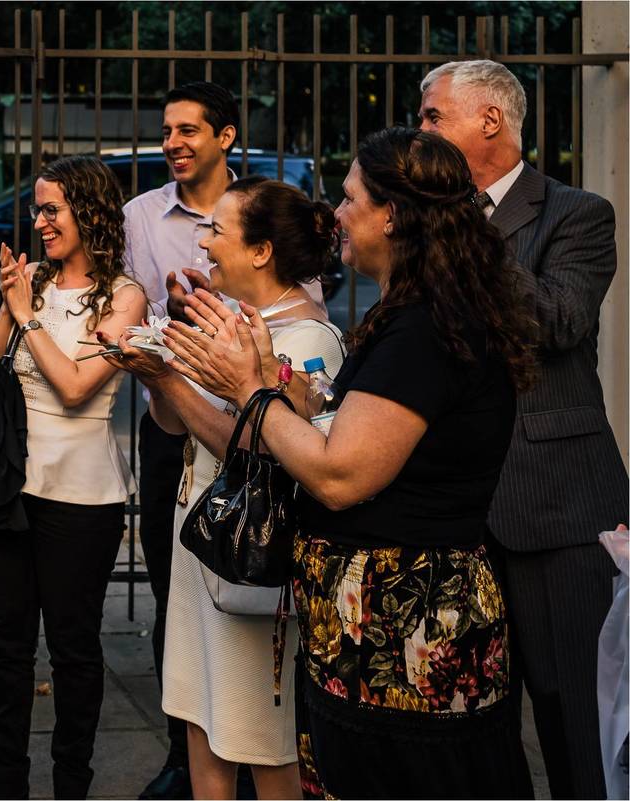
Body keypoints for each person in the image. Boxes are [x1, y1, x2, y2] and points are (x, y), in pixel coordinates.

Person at [163, 127, 539, 799]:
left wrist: (249, 390)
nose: (335, 214)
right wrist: (282, 390)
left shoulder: (425, 327)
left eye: (349, 197)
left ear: (391, 214)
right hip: (377, 629)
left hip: (407, 631)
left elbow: (340, 475)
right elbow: (351, 430)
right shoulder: (414, 314)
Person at [419, 59, 629, 800]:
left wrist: (468, 228)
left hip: (557, 505)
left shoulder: (577, 213)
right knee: (471, 721)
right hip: (456, 511)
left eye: (433, 115)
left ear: (490, 119)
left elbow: (558, 321)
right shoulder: (424, 223)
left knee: (574, 717)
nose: (420, 131)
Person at [107, 176, 345, 799]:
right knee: (199, 716)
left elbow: (257, 449)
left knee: (261, 739)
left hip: (252, 557)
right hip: (200, 536)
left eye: (216, 230)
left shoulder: (307, 339)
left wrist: (171, 380)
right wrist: (162, 365)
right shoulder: (231, 320)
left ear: (261, 251)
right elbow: (173, 426)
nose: (203, 242)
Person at [0, 154, 148, 799]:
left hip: (82, 496)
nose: (40, 222)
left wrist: (29, 316)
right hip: (8, 487)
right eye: (37, 210)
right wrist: (12, 302)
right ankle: (6, 786)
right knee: (6, 646)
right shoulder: (35, 282)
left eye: (52, 210)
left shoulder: (126, 296)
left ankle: (72, 783)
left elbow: (75, 388)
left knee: (73, 647)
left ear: (89, 211)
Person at [120, 81, 240, 799]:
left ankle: (254, 750)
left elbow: (302, 307)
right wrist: (168, 314)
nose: (173, 143)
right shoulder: (141, 215)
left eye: (188, 130)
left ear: (225, 137)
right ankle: (181, 754)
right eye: (167, 131)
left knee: (253, 589)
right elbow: (130, 317)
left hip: (253, 433)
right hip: (170, 430)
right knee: (173, 590)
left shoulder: (259, 209)